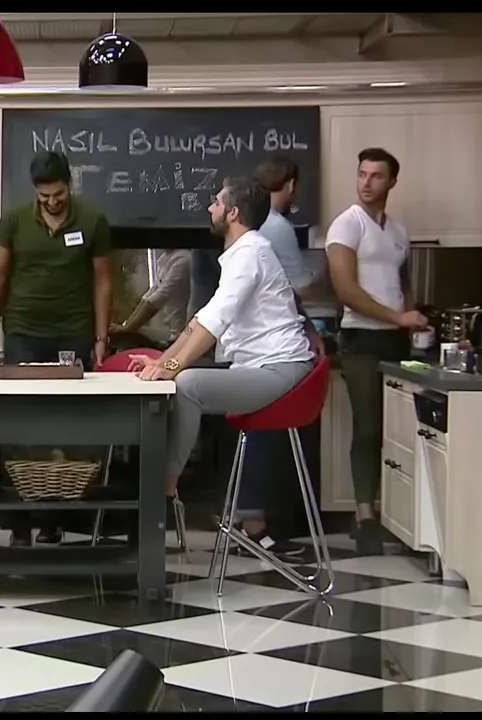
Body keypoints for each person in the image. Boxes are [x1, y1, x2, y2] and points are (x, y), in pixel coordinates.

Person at [131, 177, 317, 516]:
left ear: (233, 213)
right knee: (179, 379)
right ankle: (161, 485)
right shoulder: (241, 253)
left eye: (216, 202)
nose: (209, 208)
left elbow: (214, 323)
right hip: (260, 367)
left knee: (187, 385)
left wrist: (171, 368)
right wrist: (162, 362)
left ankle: (165, 488)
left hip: (280, 369)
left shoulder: (250, 253)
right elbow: (200, 321)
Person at [0, 151, 114, 546]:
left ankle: (55, 520)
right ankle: (20, 522)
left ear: (69, 184)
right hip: (23, 332)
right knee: (21, 426)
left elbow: (103, 281)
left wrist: (100, 339)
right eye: (44, 196)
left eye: (58, 194)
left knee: (69, 427)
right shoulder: (13, 220)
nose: (52, 202)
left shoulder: (93, 219)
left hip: (72, 333)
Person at [326, 148, 426, 555]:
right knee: (368, 427)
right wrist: (397, 317)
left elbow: (404, 284)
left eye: (376, 176)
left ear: (392, 182)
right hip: (361, 340)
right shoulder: (347, 225)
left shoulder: (399, 231)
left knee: (398, 429)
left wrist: (412, 320)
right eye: (362, 174)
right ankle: (365, 515)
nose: (366, 183)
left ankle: (399, 514)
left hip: (396, 342)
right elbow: (346, 290)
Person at [232, 156, 322, 557]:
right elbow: (299, 290)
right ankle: (254, 525)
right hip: (270, 351)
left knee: (254, 434)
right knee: (267, 433)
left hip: (245, 348)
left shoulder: (244, 228)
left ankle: (244, 519)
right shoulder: (277, 227)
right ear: (290, 185)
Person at [110, 249, 192, 349]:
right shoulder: (165, 258)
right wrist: (126, 325)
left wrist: (128, 328)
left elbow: (156, 300)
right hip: (169, 330)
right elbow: (149, 295)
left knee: (130, 339)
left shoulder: (183, 260)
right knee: (130, 334)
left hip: (181, 334)